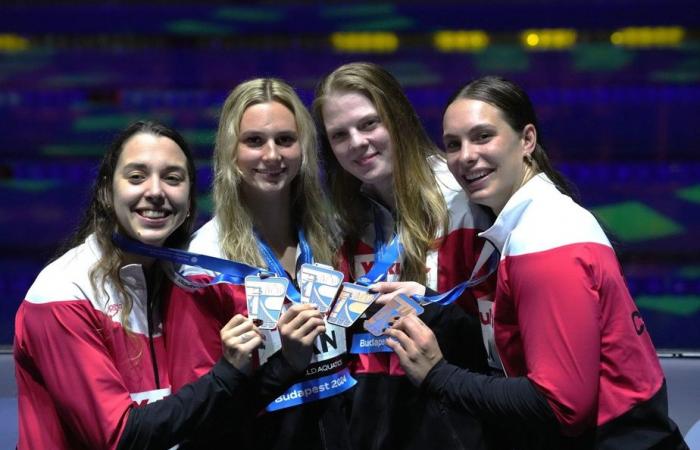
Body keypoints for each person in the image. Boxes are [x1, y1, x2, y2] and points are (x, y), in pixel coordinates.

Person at [384, 76, 689, 449]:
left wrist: (438, 375)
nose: (465, 156)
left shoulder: (543, 237)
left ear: (527, 140)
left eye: (482, 136)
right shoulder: (538, 221)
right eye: (453, 144)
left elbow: (562, 407)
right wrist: (436, 306)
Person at [13, 121, 322, 450]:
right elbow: (121, 439)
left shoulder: (179, 281)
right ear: (106, 191)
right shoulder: (62, 293)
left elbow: (202, 417)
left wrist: (288, 362)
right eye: (136, 176)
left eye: (173, 178)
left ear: (189, 199)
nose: (156, 191)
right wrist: (226, 373)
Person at [313, 62, 498, 450]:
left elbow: (498, 336)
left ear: (397, 117)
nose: (357, 143)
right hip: (377, 426)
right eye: (339, 135)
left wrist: (434, 310)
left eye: (369, 124)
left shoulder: (460, 201)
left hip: (457, 423)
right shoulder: (343, 222)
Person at [164, 78, 352, 450]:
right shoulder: (207, 264)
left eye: (285, 140)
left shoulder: (331, 237)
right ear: (231, 152)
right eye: (254, 141)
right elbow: (198, 408)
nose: (272, 155)